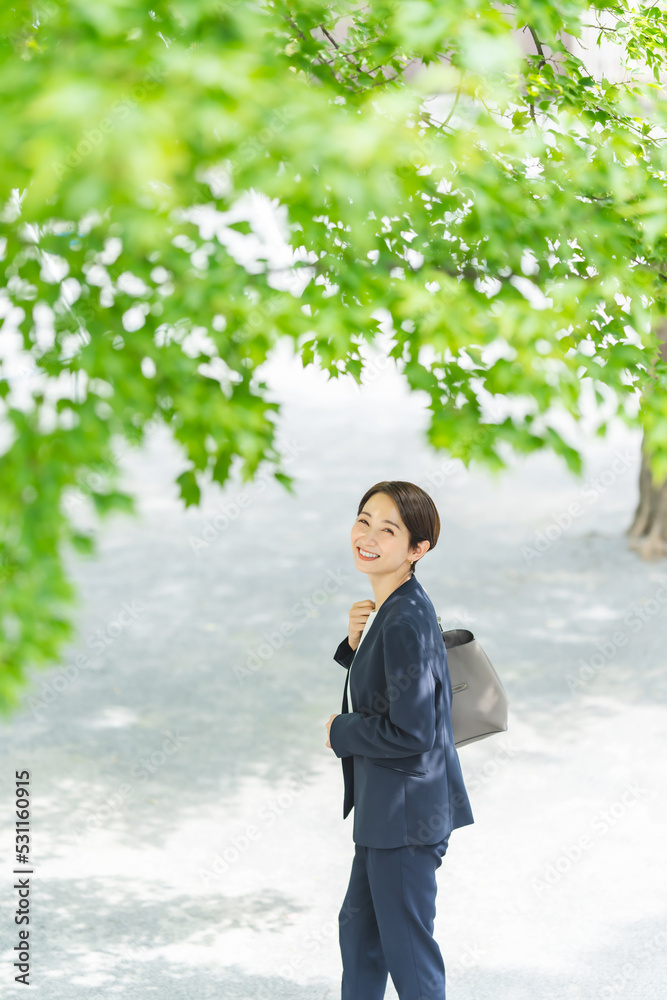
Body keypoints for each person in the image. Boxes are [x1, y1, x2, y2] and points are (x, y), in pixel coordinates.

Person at [325, 480, 474, 1000]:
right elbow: (392, 688)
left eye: (388, 530)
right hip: (388, 811)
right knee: (361, 939)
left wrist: (339, 731)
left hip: (406, 818)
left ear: (417, 549)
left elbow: (412, 731)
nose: (368, 536)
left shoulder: (403, 618)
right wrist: (355, 646)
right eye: (364, 520)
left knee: (408, 956)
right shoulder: (393, 607)